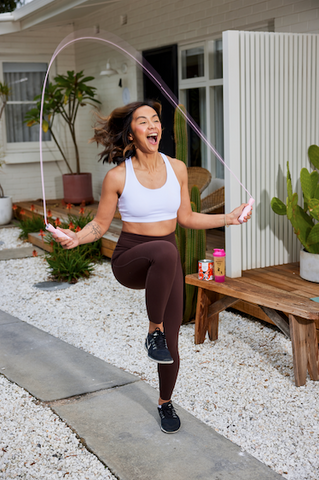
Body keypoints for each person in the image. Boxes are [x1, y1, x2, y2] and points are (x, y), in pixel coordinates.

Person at [52, 100, 252, 434]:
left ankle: (164, 401)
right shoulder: (118, 176)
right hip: (131, 257)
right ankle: (152, 330)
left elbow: (185, 218)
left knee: (171, 343)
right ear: (131, 134)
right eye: (143, 121)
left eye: (155, 120)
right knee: (163, 250)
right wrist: (77, 238)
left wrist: (227, 218)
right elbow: (100, 225)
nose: (152, 125)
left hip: (165, 259)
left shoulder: (177, 169)